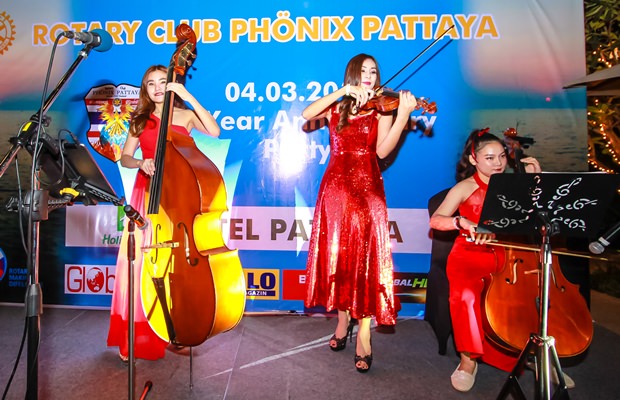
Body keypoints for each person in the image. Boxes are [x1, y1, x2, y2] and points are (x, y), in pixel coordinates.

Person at [303, 53, 417, 373]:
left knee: (365, 262)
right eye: (364, 70)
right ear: (352, 75)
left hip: (368, 191)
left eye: (374, 71)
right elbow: (306, 114)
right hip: (336, 191)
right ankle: (343, 322)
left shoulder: (382, 109)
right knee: (339, 258)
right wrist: (343, 92)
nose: (369, 75)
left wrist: (402, 115)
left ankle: (364, 332)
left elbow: (382, 151)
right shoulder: (336, 107)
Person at [429, 128, 567, 392]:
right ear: (474, 160)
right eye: (490, 158)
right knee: (465, 297)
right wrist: (461, 222)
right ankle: (468, 360)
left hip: (508, 257)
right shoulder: (465, 187)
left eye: (502, 156)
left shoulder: (514, 186)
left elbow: (542, 218)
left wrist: (536, 182)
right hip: (468, 255)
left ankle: (531, 355)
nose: (498, 163)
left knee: (526, 297)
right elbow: (436, 220)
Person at [107, 65, 220, 361]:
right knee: (143, 264)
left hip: (180, 196)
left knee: (175, 265)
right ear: (145, 89)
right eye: (151, 83)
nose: (157, 87)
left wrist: (187, 95)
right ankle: (136, 336)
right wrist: (140, 163)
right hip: (148, 194)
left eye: (163, 81)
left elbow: (214, 130)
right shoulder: (140, 119)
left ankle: (174, 329)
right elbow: (125, 157)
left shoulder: (185, 115)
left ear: (172, 84)